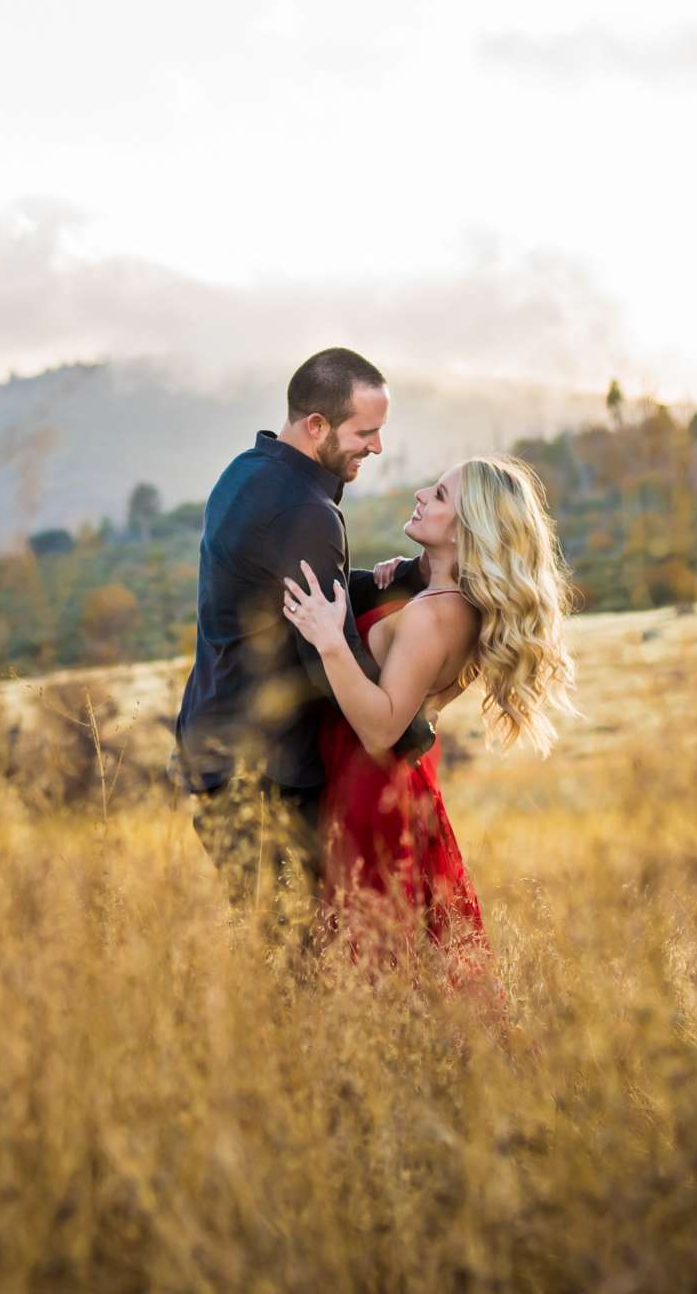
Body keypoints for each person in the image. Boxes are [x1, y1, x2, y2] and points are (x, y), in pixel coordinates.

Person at [174, 348, 437, 951]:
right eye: (364, 433)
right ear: (316, 425)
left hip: (218, 749)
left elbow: (297, 593)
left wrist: (393, 579)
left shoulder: (248, 469)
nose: (375, 448)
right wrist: (410, 732)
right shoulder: (305, 510)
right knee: (302, 956)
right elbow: (328, 651)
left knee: (283, 945)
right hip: (266, 770)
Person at [280, 454, 577, 984]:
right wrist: (400, 583)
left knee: (374, 973)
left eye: (440, 496)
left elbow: (380, 729)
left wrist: (329, 641)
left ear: (468, 533)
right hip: (394, 789)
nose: (421, 494)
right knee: (408, 969)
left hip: (370, 794)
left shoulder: (433, 615)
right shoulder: (453, 605)